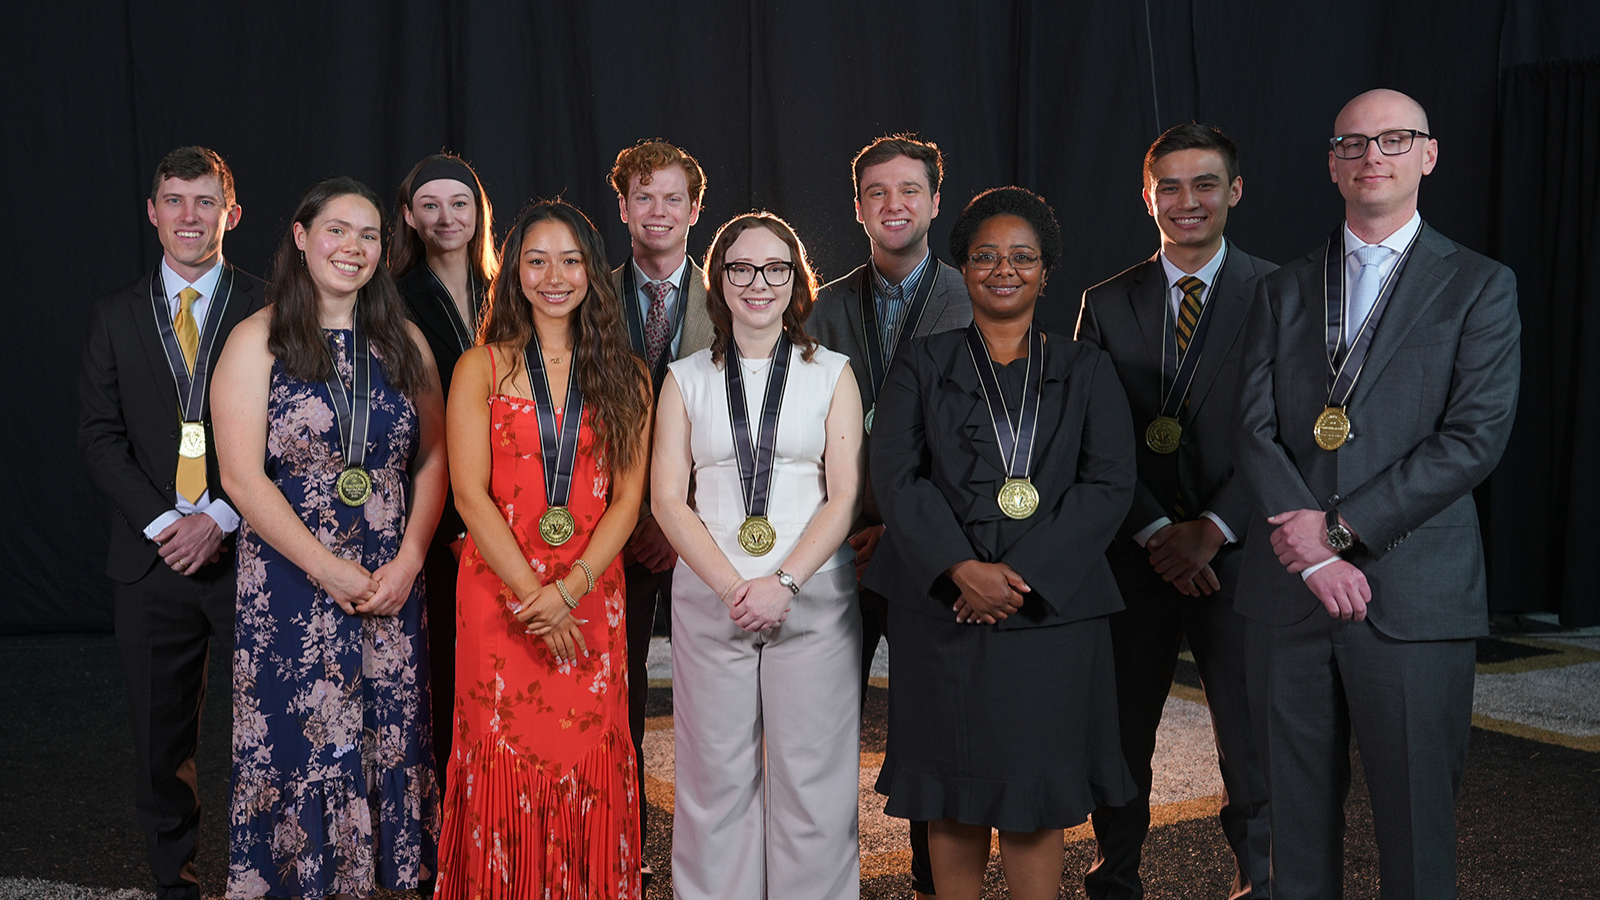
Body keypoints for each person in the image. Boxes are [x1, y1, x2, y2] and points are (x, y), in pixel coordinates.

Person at [1233, 89, 1521, 899]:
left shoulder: (1479, 286)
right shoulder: (1282, 289)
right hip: (1288, 595)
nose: (1373, 157)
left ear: (1427, 155)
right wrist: (1314, 558)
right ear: (1332, 164)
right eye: (1353, 144)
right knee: (1292, 830)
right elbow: (1251, 431)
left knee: (1417, 830)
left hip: (1413, 594)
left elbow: (1473, 440)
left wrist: (1340, 533)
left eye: (1395, 140)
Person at [866, 186, 1137, 900]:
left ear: (1047, 272)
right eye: (985, 256)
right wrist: (960, 569)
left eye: (1023, 257)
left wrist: (1017, 576)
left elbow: (1109, 485)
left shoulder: (1086, 368)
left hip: (1048, 614)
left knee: (1033, 799)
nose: (1004, 269)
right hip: (941, 610)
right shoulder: (919, 364)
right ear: (963, 269)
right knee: (949, 793)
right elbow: (895, 475)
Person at [211, 176, 447, 899]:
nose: (353, 246)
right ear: (301, 237)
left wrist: (409, 559)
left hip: (389, 586)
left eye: (370, 234)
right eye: (337, 230)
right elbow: (242, 480)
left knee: (386, 743)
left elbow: (436, 457)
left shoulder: (402, 341)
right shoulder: (260, 339)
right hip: (292, 589)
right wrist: (328, 570)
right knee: (301, 748)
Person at [1075, 123, 1273, 900]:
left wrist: (1215, 529)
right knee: (1120, 740)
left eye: (1204, 184)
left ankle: (1259, 883)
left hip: (1241, 555)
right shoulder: (1105, 301)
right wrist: (1160, 531)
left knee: (1250, 741)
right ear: (1147, 195)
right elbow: (1095, 437)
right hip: (1136, 555)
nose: (1187, 202)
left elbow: (1291, 433)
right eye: (1171, 186)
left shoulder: (1282, 291)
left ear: (1235, 190)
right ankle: (1114, 879)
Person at [433, 200, 652, 898]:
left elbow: (628, 501)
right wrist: (538, 598)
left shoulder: (629, 374)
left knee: (588, 753)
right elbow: (469, 496)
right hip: (503, 594)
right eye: (536, 260)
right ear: (514, 273)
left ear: (592, 269)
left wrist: (571, 592)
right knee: (500, 755)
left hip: (590, 594)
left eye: (570, 259)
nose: (554, 276)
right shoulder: (481, 368)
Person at [652, 212, 865, 899]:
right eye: (740, 268)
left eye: (776, 268)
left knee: (813, 777)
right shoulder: (685, 378)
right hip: (713, 595)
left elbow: (844, 496)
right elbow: (667, 500)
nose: (758, 283)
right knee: (713, 776)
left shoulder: (832, 372)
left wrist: (781, 581)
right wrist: (730, 587)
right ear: (720, 282)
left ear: (795, 281)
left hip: (813, 595)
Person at [78, 146, 264, 900]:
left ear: (232, 213)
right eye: (175, 201)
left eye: (205, 202)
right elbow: (97, 434)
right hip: (152, 561)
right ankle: (174, 883)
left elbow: (289, 431)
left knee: (269, 733)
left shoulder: (269, 304)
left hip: (251, 551)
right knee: (162, 743)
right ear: (153, 212)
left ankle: (267, 872)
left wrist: (219, 516)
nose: (190, 217)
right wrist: (167, 522)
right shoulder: (116, 314)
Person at [810, 133, 971, 900]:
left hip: (932, 548)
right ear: (858, 208)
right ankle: (821, 873)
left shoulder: (974, 296)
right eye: (878, 193)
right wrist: (839, 528)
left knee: (928, 727)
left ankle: (929, 880)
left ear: (936, 201)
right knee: (823, 724)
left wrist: (911, 533)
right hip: (840, 548)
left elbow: (984, 440)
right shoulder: (824, 306)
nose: (894, 205)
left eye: (910, 190)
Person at [605, 139, 715, 884]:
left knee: (719, 714)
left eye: (672, 198)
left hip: (712, 536)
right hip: (613, 535)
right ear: (622, 208)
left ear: (695, 210)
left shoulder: (739, 291)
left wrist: (680, 522)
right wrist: (636, 517)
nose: (658, 211)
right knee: (618, 709)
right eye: (644, 197)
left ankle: (717, 866)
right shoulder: (583, 294)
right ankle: (624, 857)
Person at [392, 152, 500, 785]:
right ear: (408, 216)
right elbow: (421, 426)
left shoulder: (508, 289)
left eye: (459, 203)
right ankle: (446, 823)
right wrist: (459, 521)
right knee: (445, 668)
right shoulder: (395, 298)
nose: (445, 217)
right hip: (438, 511)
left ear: (478, 213)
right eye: (428, 205)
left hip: (514, 502)